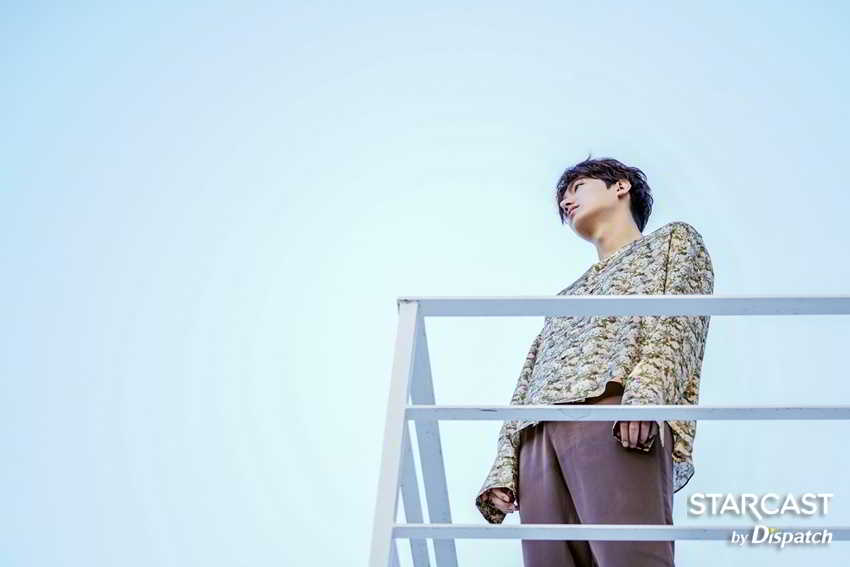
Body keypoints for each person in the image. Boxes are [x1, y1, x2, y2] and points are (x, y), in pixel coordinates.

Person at [474, 156, 715, 567]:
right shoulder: (567, 297)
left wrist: (645, 399)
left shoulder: (672, 242)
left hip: (615, 413)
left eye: (577, 188)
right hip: (537, 436)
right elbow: (530, 376)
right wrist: (504, 466)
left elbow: (678, 326)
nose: (565, 202)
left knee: (631, 557)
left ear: (621, 186)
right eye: (562, 198)